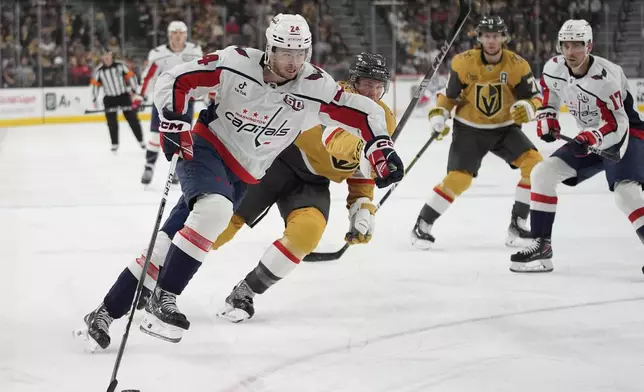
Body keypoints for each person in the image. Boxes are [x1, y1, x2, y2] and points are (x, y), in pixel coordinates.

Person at [76, 14, 404, 350]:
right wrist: (172, 120)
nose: (292, 63)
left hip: (246, 174)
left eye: (300, 54)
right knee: (215, 210)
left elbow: (366, 113)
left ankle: (105, 311)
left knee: (166, 246)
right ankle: (164, 299)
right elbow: (177, 79)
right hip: (206, 149)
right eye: (284, 53)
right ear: (269, 48)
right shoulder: (236, 62)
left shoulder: (314, 85)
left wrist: (380, 147)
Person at [510, 20, 644, 273]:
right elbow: (550, 97)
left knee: (626, 193)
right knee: (542, 173)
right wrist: (547, 118)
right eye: (566, 45)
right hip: (590, 137)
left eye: (577, 45)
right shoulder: (553, 68)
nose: (570, 52)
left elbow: (618, 124)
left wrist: (592, 136)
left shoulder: (606, 78)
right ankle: (542, 246)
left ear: (589, 46)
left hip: (627, 135)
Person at [410, 16, 544, 250]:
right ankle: (423, 224)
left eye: (496, 36)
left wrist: (528, 107)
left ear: (504, 37)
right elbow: (449, 96)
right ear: (479, 37)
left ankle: (518, 224)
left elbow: (535, 97)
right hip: (469, 130)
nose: (491, 40)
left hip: (505, 129)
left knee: (535, 166)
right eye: (487, 36)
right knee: (458, 180)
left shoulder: (517, 64)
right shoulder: (463, 62)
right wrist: (439, 114)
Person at [137, 21, 203, 185]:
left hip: (186, 102)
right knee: (154, 135)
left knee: (182, 136)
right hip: (162, 102)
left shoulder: (195, 52)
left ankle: (176, 170)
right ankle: (149, 166)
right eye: (175, 32)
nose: (178, 36)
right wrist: (140, 96)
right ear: (169, 34)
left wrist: (209, 94)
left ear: (186, 34)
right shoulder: (158, 54)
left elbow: (202, 74)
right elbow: (148, 76)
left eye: (181, 32)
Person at [90, 48, 144, 153]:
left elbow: (131, 77)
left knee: (133, 119)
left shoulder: (120, 65)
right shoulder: (99, 71)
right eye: (104, 55)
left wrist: (135, 91)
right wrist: (94, 99)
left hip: (123, 96)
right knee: (111, 122)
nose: (106, 57)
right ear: (101, 57)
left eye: (108, 54)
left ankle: (141, 140)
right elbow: (95, 86)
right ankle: (114, 143)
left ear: (111, 55)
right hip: (109, 98)